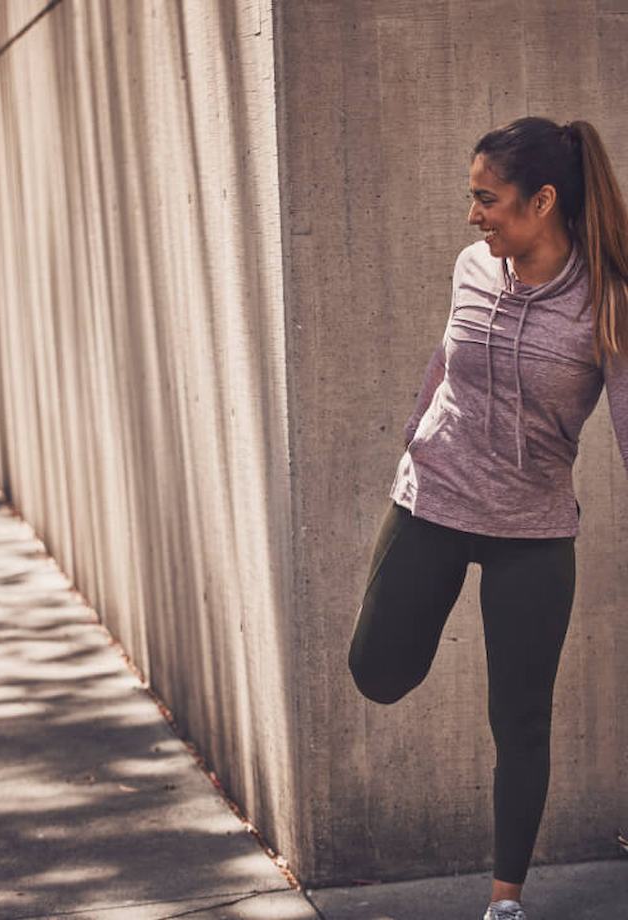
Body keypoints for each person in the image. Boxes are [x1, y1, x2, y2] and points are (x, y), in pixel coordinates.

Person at [348, 116, 628, 920]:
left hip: (533, 530)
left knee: (521, 717)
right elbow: (446, 360)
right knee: (378, 671)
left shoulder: (604, 302)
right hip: (433, 502)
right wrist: (417, 436)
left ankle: (504, 902)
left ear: (543, 202)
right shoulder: (473, 265)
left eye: (487, 199)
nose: (474, 215)